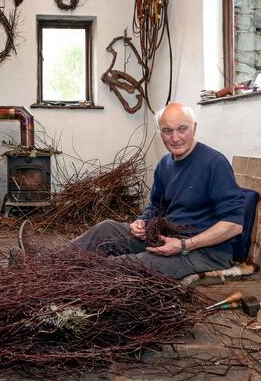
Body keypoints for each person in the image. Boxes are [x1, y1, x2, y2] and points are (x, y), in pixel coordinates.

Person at [65, 102, 245, 280]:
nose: (175, 138)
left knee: (119, 267)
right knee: (105, 229)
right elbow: (157, 207)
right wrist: (142, 221)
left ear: (194, 128)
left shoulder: (214, 163)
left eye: (182, 129)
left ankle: (77, 281)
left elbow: (234, 225)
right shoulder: (165, 165)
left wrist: (183, 245)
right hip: (168, 237)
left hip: (206, 253)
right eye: (167, 131)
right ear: (160, 132)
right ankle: (48, 264)